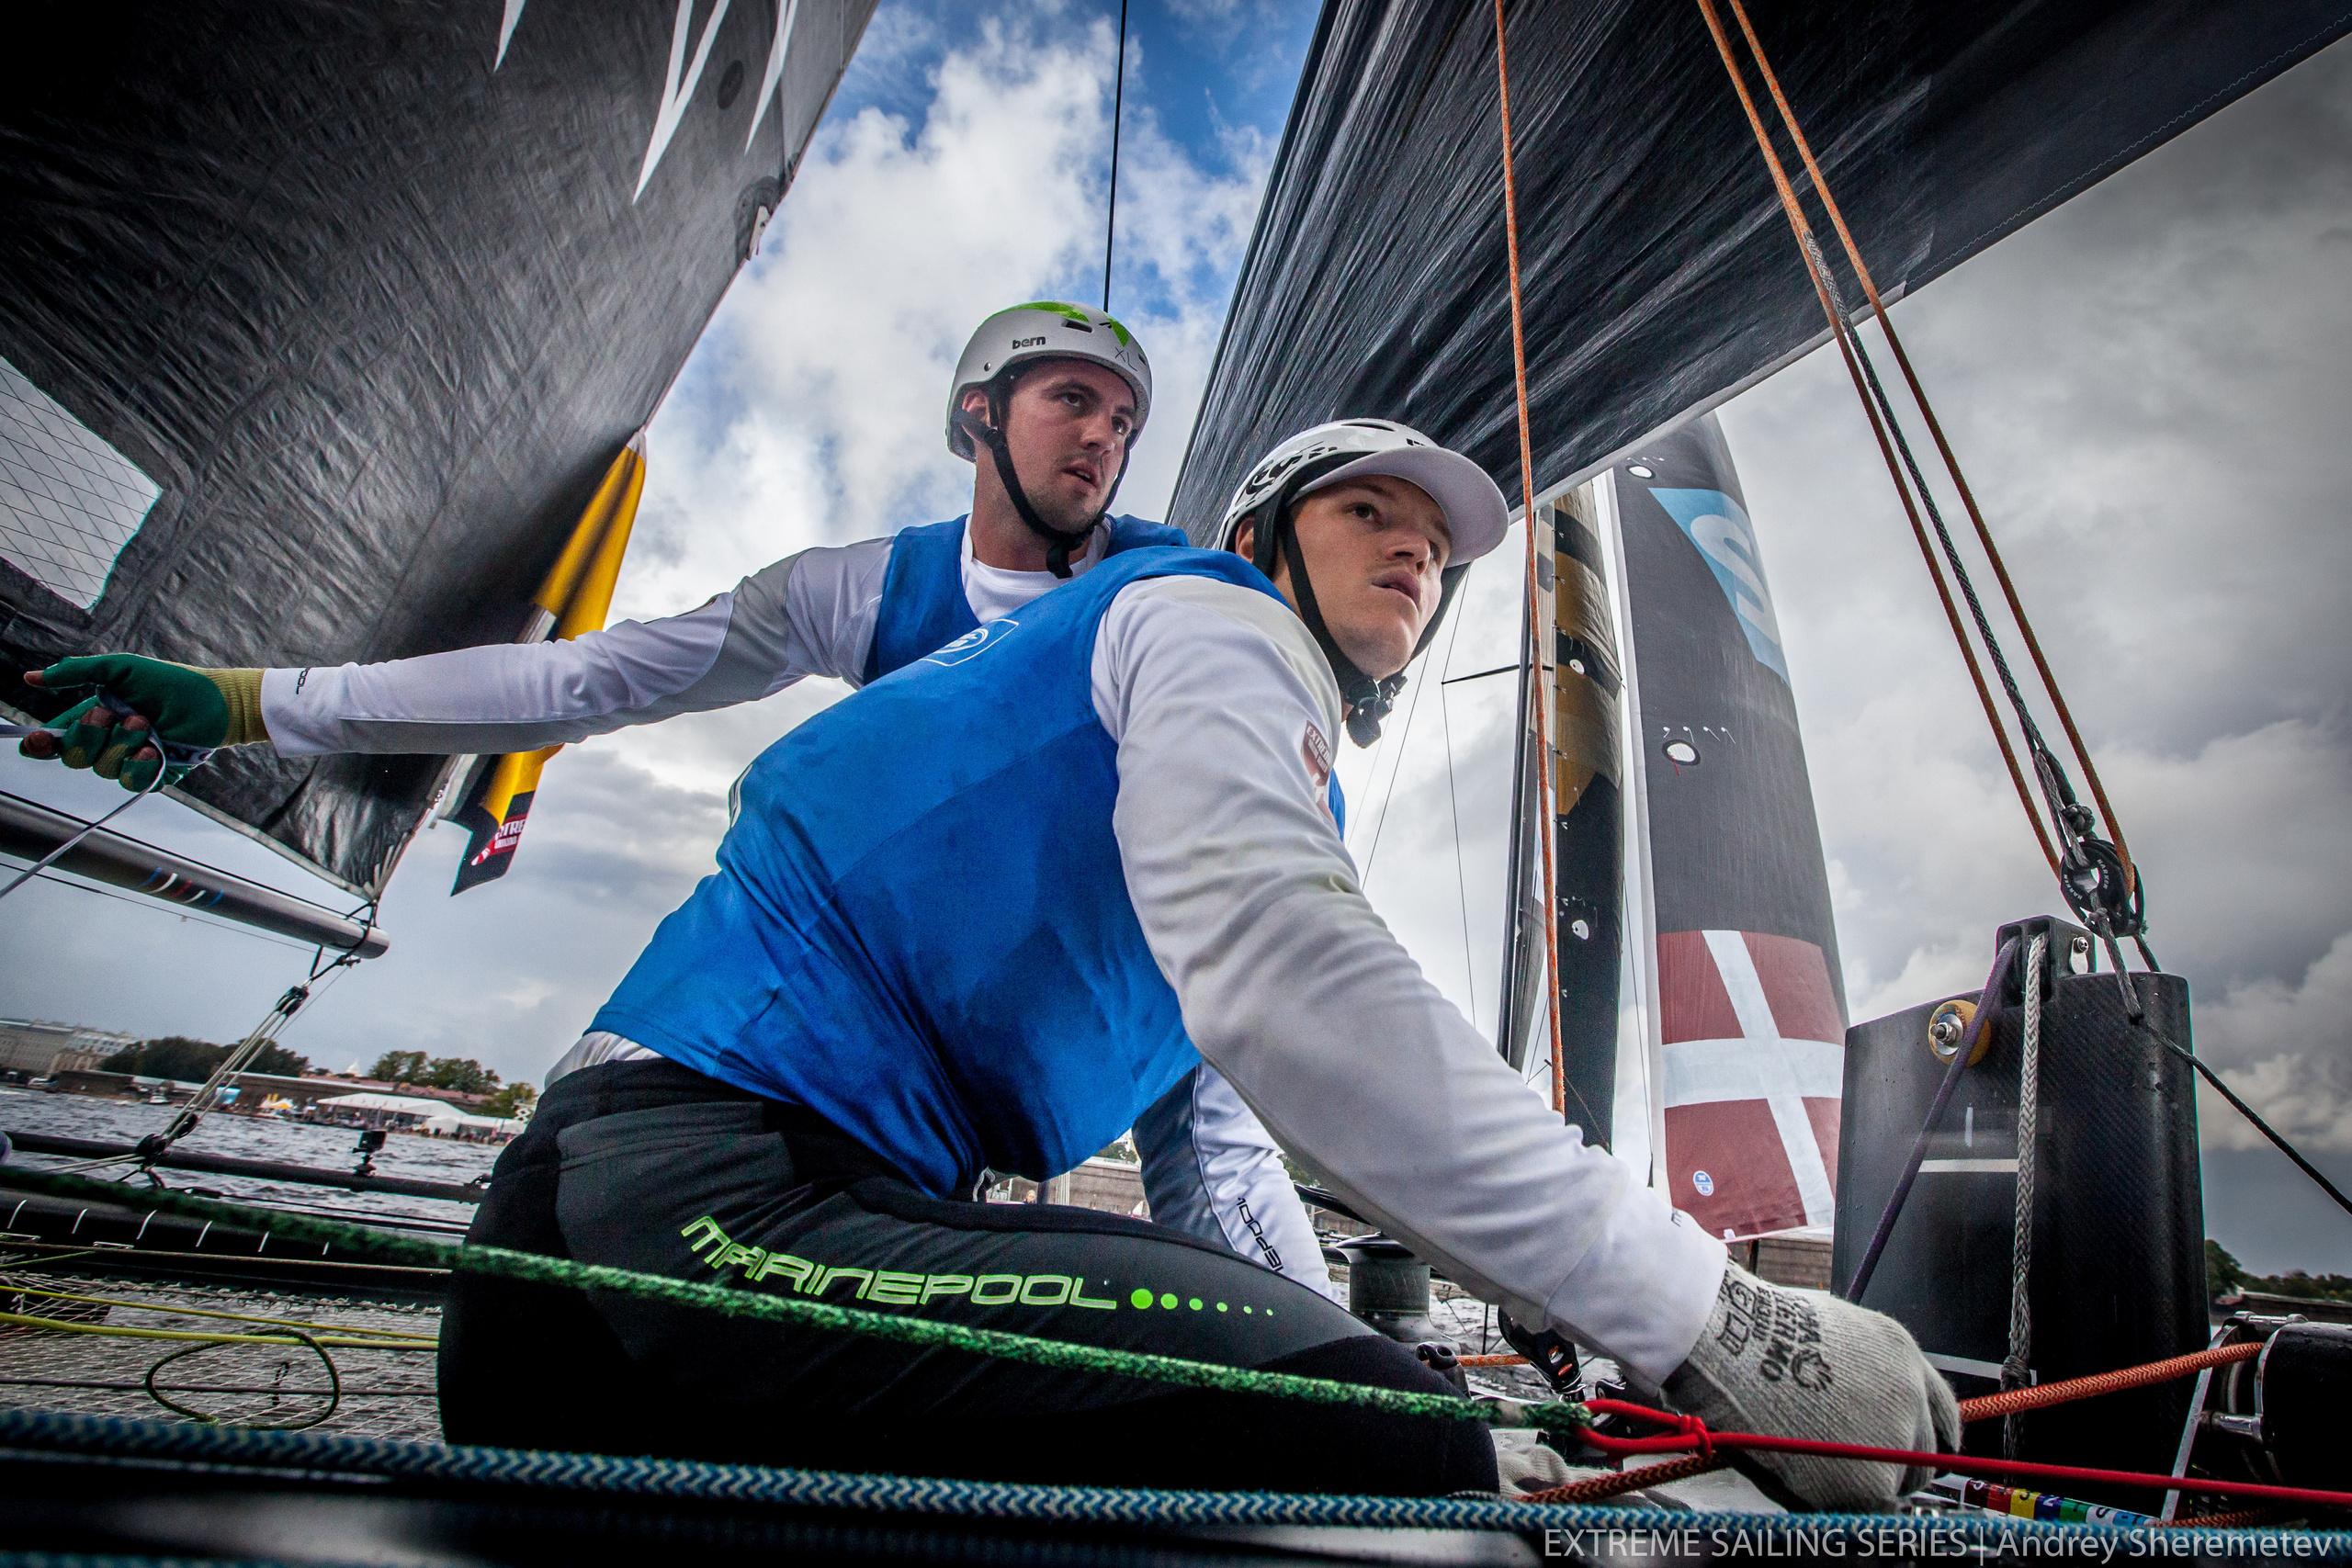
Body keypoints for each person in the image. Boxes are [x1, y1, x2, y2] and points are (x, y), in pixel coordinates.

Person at [435, 419, 1957, 1506]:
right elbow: (1282, 968)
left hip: (748, 1247)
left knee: (1360, 1399)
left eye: (1430, 541)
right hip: (669, 1234)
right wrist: (1717, 1319)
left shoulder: (1236, 781)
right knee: (1362, 1412)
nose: (1416, 544)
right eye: (1367, 510)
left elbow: (1223, 1185)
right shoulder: (1205, 617)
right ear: (1260, 538)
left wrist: (1407, 1414)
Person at [16, 301, 1173, 787]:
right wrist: (243, 702)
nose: (1102, 437)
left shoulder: (1167, 582)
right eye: (1072, 398)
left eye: (1121, 421)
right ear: (978, 412)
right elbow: (582, 678)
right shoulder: (858, 591)